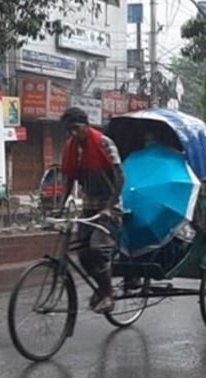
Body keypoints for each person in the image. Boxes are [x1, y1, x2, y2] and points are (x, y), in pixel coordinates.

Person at [60, 107, 125, 313]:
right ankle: (102, 287)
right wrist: (60, 206)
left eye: (76, 128)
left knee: (97, 249)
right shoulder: (71, 147)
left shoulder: (104, 143)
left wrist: (109, 207)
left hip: (109, 205)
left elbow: (120, 176)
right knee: (82, 253)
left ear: (86, 125)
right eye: (69, 130)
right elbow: (70, 178)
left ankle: (108, 295)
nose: (73, 133)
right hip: (88, 206)